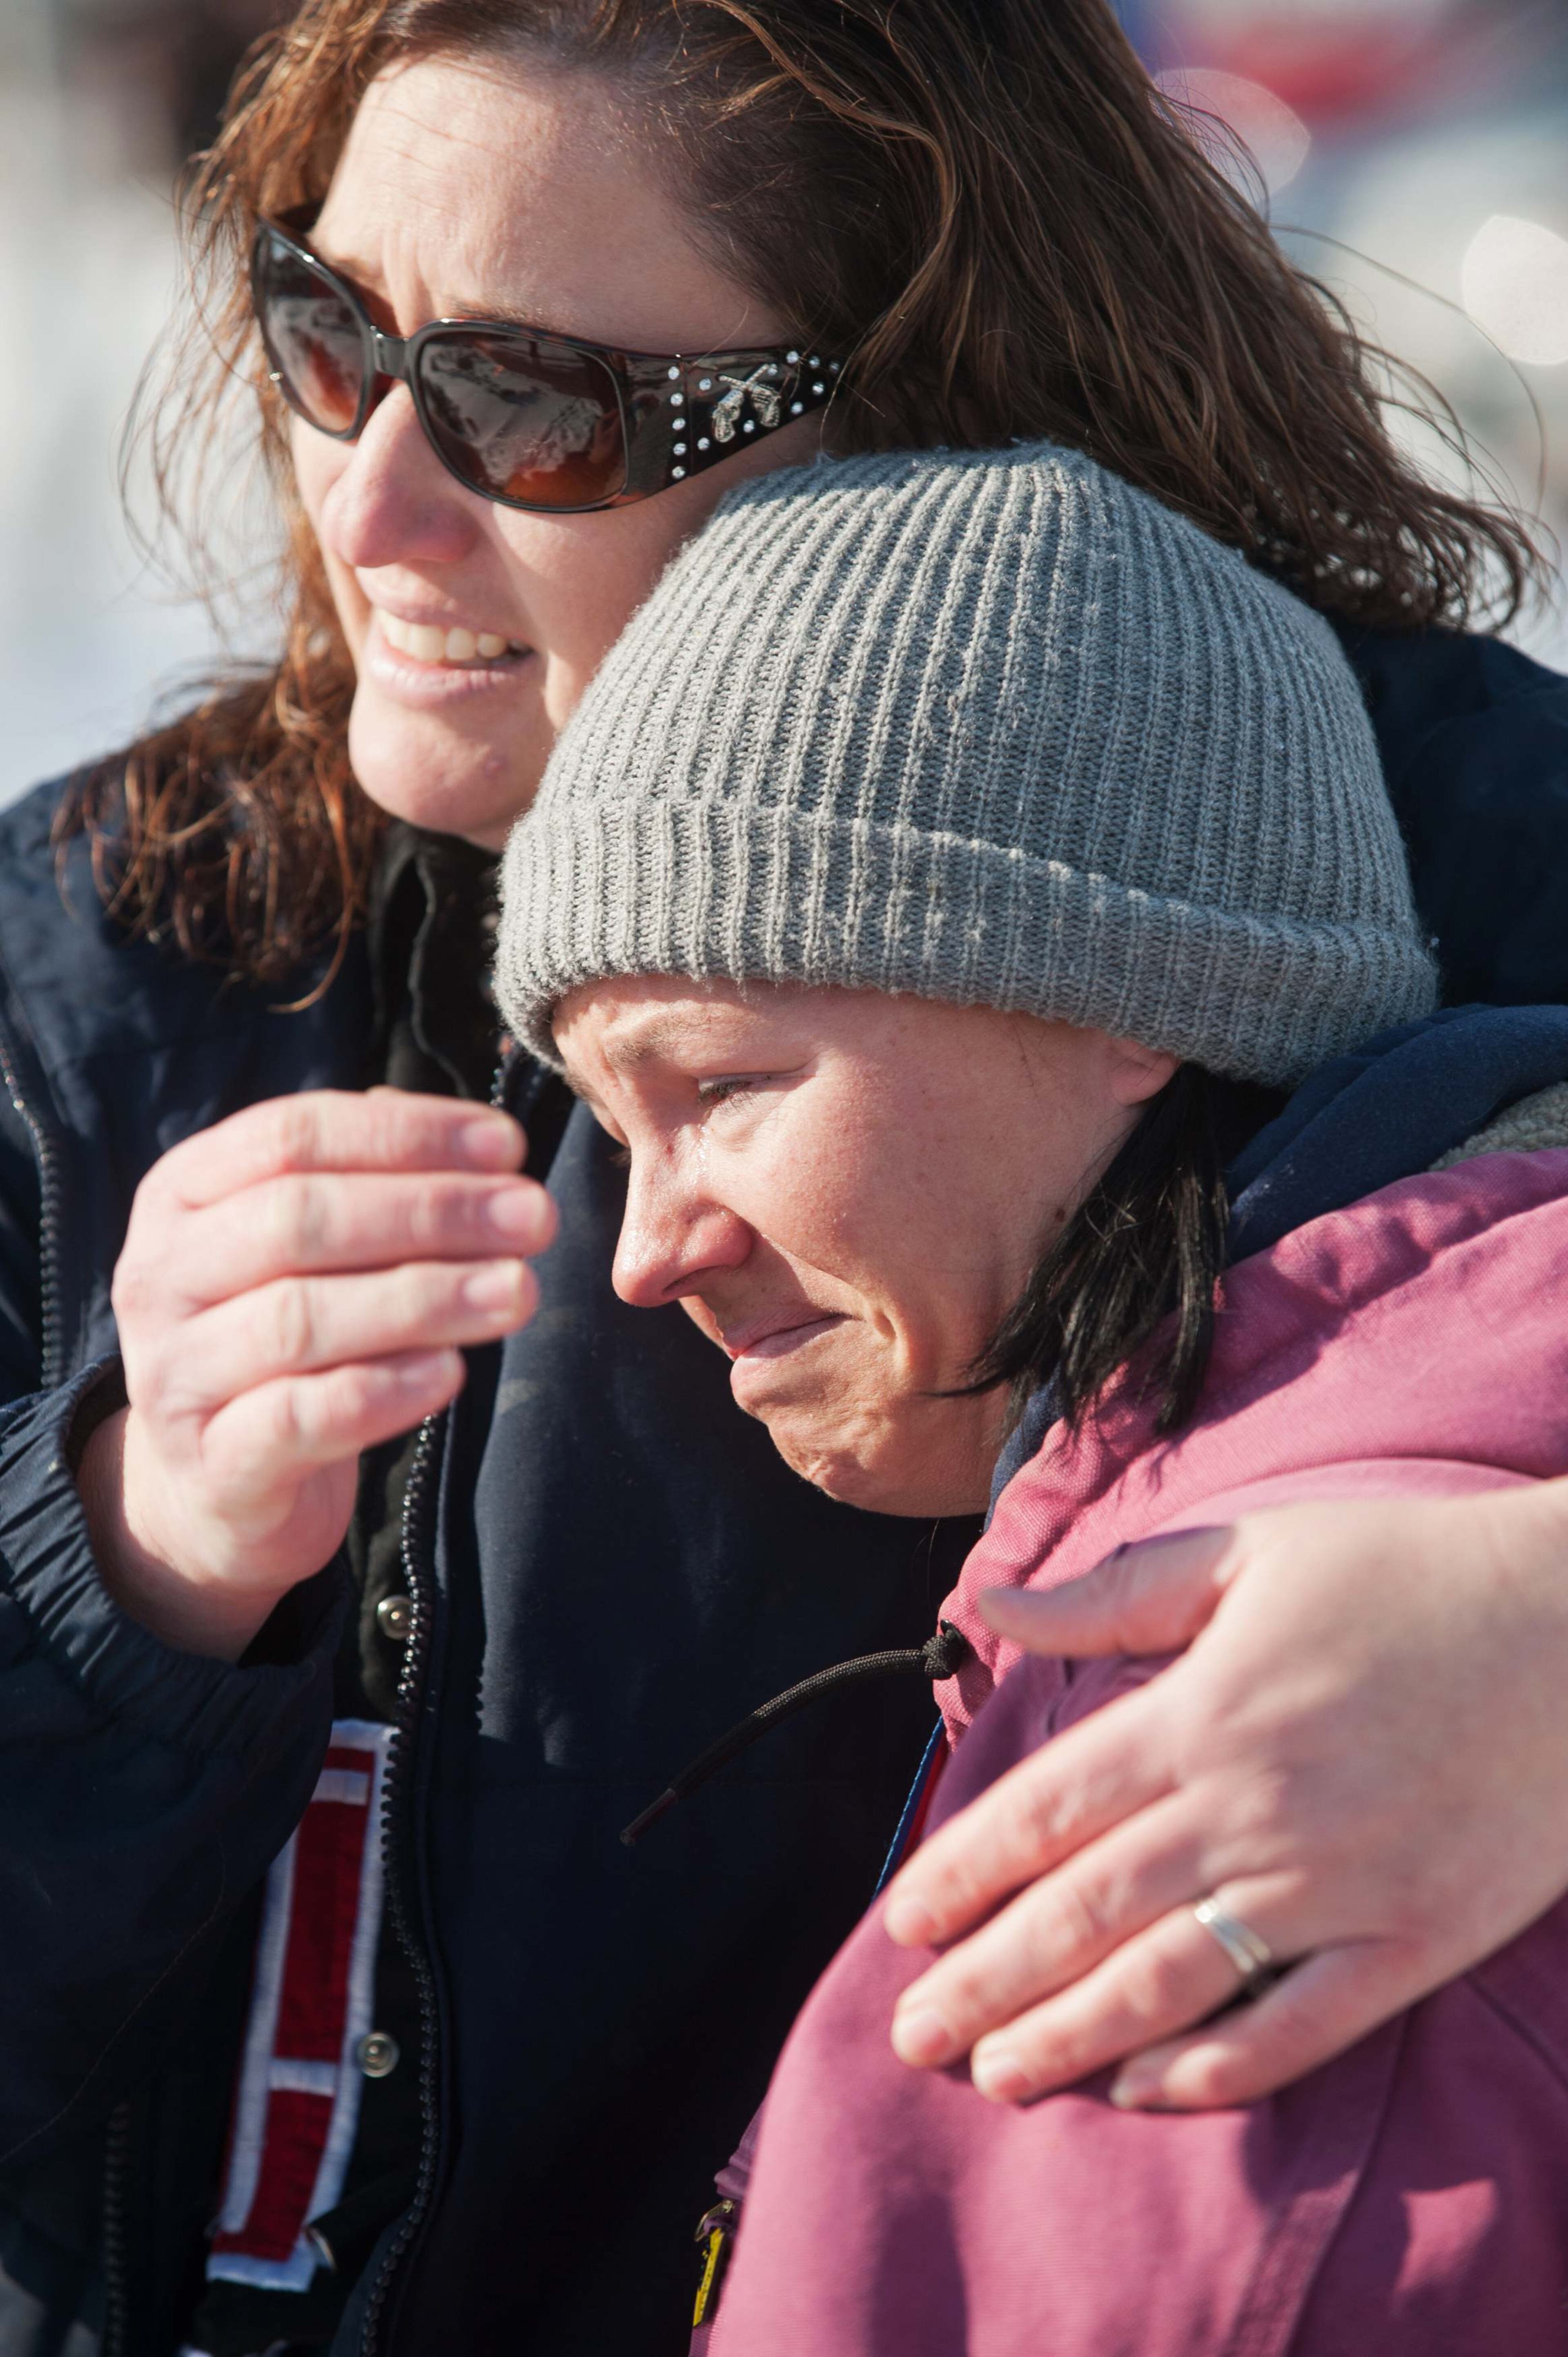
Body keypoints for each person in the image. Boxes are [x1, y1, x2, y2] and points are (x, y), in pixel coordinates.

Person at [1, 0, 1567, 2352]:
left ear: (923, 399)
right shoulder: (124, 946)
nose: (369, 507)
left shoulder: (1434, 863)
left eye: (533, 402)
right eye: (326, 332)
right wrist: (109, 1564)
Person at [492, 439, 1568, 2352]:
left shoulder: (1261, 1708)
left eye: (724, 1084)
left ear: (1125, 1000)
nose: (645, 1252)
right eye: (612, 1127)